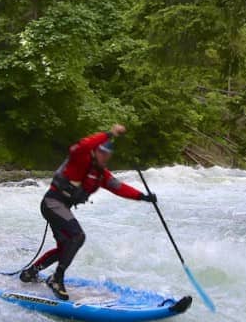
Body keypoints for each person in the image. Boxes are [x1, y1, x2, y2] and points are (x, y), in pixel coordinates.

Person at [19, 124, 155, 300]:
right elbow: (83, 144)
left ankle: (31, 272)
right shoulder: (80, 157)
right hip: (52, 202)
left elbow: (119, 188)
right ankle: (56, 278)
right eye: (102, 153)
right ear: (95, 151)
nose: (105, 158)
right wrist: (109, 134)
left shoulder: (101, 175)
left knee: (65, 248)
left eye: (108, 155)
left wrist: (143, 197)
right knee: (77, 237)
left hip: (61, 208)